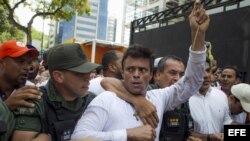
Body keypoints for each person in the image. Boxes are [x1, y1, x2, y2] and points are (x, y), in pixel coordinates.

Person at [71, 0, 209, 140]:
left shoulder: (158, 98)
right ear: (123, 72)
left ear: (151, 75)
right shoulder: (106, 100)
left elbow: (191, 82)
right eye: (131, 69)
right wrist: (127, 134)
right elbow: (78, 138)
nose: (136, 75)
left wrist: (198, 33)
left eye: (142, 70)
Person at [12, 43, 100, 141]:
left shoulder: (94, 101)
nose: (88, 78)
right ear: (59, 76)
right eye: (80, 74)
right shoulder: (35, 103)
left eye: (89, 71)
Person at [0, 40, 41, 140]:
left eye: (28, 62)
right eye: (20, 61)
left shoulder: (32, 91)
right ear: (1, 64)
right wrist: (7, 106)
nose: (27, 67)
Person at [188, 59, 233, 141]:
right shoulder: (184, 98)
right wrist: (210, 137)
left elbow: (227, 122)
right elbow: (184, 132)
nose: (206, 75)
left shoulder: (221, 95)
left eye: (208, 70)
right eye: (200, 71)